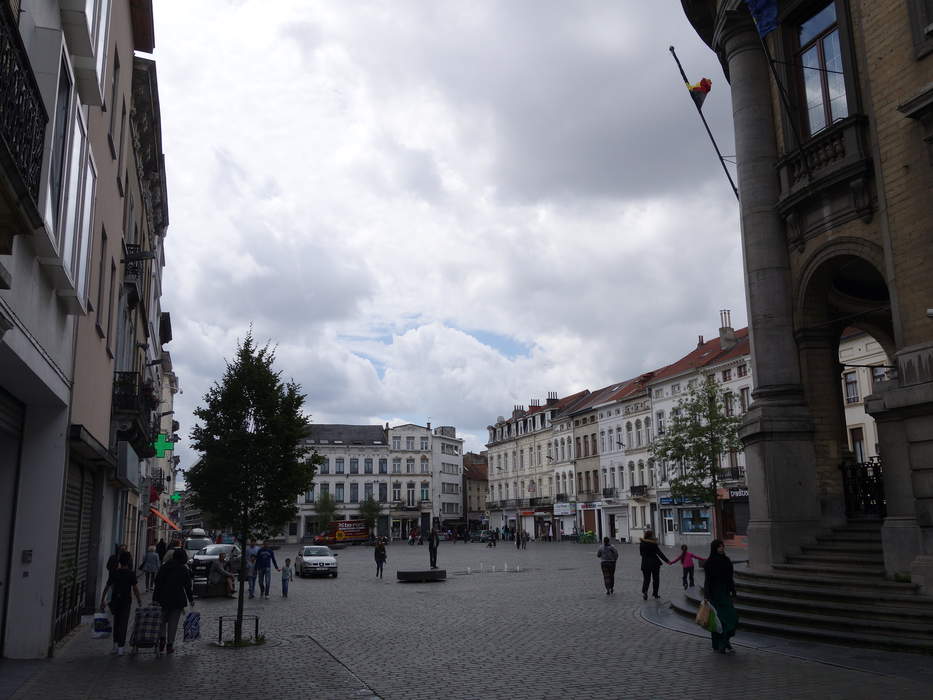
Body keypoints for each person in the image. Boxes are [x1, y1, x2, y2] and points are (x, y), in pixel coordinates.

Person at [100, 551, 142, 655]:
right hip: (126, 601)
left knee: (116, 622)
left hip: (115, 600)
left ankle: (115, 645)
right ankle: (120, 648)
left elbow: (107, 587)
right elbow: (135, 589)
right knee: (123, 624)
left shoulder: (115, 573)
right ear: (128, 562)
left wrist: (102, 600)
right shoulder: (131, 574)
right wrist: (139, 600)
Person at [153, 548, 194, 654]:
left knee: (161, 621)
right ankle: (170, 645)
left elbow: (157, 584)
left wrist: (155, 599)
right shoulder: (183, 569)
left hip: (163, 599)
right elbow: (187, 586)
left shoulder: (164, 567)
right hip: (177, 600)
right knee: (173, 623)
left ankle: (162, 638)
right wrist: (191, 599)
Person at [702, 539, 738, 653]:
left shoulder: (727, 561)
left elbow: (729, 578)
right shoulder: (709, 563)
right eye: (719, 547)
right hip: (714, 594)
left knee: (731, 618)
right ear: (714, 548)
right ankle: (720, 644)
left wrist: (733, 590)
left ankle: (725, 641)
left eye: (722, 546)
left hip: (725, 592)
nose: (721, 548)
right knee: (718, 621)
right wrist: (707, 595)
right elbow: (707, 580)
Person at [639, 530, 670, 600]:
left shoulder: (642, 543)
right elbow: (659, 553)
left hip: (645, 564)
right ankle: (655, 593)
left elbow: (641, 554)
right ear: (651, 536)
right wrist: (667, 561)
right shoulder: (653, 543)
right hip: (654, 563)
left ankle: (645, 592)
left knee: (646, 579)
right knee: (656, 579)